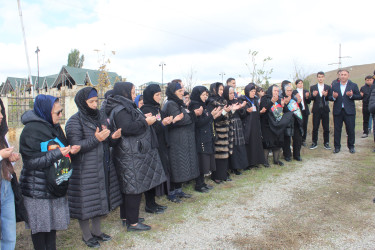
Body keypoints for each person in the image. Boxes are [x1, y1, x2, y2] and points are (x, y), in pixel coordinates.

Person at [19, 95, 81, 250]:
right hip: (37, 189)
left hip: (53, 184)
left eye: (61, 112)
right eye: (57, 113)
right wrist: (58, 153)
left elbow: (60, 148)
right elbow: (31, 162)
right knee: (40, 229)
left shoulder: (54, 126)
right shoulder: (31, 130)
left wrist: (70, 150)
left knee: (51, 226)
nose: (61, 116)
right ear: (45, 111)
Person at [65, 87, 122, 248]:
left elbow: (107, 141)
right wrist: (95, 139)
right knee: (85, 202)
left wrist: (114, 138)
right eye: (91, 102)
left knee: (99, 199)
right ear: (82, 103)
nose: (95, 105)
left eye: (96, 101)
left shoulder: (100, 117)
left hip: (102, 165)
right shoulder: (74, 121)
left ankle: (97, 231)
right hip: (84, 169)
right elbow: (75, 146)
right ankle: (86, 235)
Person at [105, 82, 166, 232]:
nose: (134, 95)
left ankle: (128, 218)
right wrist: (146, 122)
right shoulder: (120, 109)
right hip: (129, 153)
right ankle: (132, 223)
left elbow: (131, 122)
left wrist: (142, 118)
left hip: (131, 151)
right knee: (133, 187)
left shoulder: (124, 106)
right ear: (124, 92)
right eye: (132, 92)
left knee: (130, 186)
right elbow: (127, 128)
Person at [162, 81, 201, 202]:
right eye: (179, 91)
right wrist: (194, 114)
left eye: (181, 90)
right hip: (176, 141)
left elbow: (185, 116)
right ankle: (172, 193)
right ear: (173, 92)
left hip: (183, 139)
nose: (182, 93)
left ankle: (178, 190)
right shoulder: (171, 104)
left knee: (181, 166)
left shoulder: (179, 103)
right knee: (176, 166)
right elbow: (181, 120)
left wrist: (190, 115)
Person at [141, 84, 171, 213]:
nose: (159, 97)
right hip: (152, 146)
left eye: (160, 94)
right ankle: (149, 204)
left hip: (160, 145)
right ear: (150, 96)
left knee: (157, 174)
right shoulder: (145, 109)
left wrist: (165, 122)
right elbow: (151, 129)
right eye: (157, 95)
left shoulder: (156, 108)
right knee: (151, 174)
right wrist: (163, 123)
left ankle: (153, 202)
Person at [189, 86, 221, 192]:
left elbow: (206, 119)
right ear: (197, 95)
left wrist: (213, 116)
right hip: (199, 137)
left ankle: (203, 183)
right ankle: (199, 184)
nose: (205, 97)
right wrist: (211, 115)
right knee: (201, 161)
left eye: (206, 95)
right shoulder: (194, 106)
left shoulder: (203, 105)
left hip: (206, 136)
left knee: (205, 160)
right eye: (203, 95)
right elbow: (198, 123)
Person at [0, 98, 20, 249]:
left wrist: (11, 159)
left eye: (1, 112)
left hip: (6, 185)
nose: (1, 116)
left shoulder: (2, 135)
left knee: (9, 231)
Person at [260, 85, 293, 166]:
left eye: (278, 91)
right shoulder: (265, 98)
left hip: (278, 125)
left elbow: (287, 112)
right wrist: (271, 102)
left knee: (277, 143)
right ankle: (265, 161)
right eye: (275, 91)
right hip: (267, 125)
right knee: (267, 144)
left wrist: (283, 105)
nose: (276, 92)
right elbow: (263, 110)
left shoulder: (279, 99)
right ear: (271, 90)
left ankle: (276, 160)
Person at [329, 69, 361, 154]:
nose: (343, 76)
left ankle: (351, 146)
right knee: (337, 130)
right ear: (339, 76)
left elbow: (359, 96)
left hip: (349, 111)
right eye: (341, 74)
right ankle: (337, 147)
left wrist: (351, 96)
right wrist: (333, 97)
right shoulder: (334, 85)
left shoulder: (353, 85)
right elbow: (328, 97)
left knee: (350, 129)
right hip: (338, 111)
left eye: (345, 75)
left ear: (348, 76)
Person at [208, 82, 232, 183]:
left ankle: (223, 174)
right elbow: (214, 118)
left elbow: (226, 114)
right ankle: (216, 176)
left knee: (225, 153)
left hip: (225, 129)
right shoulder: (211, 102)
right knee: (218, 154)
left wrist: (229, 111)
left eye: (223, 89)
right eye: (220, 89)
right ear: (214, 89)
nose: (222, 92)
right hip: (217, 130)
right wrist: (224, 112)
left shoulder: (223, 100)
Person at [223, 86, 248, 175]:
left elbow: (243, 115)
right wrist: (233, 109)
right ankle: (232, 167)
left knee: (239, 145)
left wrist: (241, 107)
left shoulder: (235, 101)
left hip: (238, 125)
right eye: (230, 93)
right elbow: (225, 115)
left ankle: (240, 166)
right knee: (232, 146)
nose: (232, 95)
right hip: (230, 126)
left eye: (233, 93)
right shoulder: (225, 103)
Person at [241, 84, 267, 168]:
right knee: (249, 144)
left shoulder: (255, 99)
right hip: (248, 125)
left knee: (256, 143)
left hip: (256, 124)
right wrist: (247, 111)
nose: (253, 93)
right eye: (251, 91)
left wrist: (260, 111)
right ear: (247, 91)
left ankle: (255, 161)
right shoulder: (243, 99)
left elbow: (257, 111)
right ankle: (248, 163)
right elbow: (241, 113)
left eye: (254, 91)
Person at [309, 71, 331, 150]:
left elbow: (330, 98)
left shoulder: (328, 87)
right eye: (319, 77)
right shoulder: (313, 87)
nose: (320, 78)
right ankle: (314, 142)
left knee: (326, 127)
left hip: (325, 109)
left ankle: (326, 143)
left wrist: (326, 95)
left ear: (324, 77)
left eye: (322, 77)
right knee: (315, 127)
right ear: (317, 78)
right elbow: (310, 98)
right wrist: (313, 95)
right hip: (316, 110)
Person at [282, 85, 304, 161]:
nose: (289, 92)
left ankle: (297, 155)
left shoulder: (294, 99)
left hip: (296, 121)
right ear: (285, 91)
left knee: (297, 139)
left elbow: (298, 109)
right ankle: (287, 155)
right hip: (287, 122)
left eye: (291, 90)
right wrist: (284, 104)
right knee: (287, 139)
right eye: (288, 90)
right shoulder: (282, 98)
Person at [294, 79, 311, 146]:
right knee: (299, 125)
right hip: (298, 111)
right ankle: (299, 139)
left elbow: (309, 102)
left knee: (305, 125)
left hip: (305, 110)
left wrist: (307, 97)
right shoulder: (294, 92)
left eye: (301, 83)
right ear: (296, 85)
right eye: (299, 83)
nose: (300, 84)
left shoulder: (306, 91)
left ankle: (303, 140)